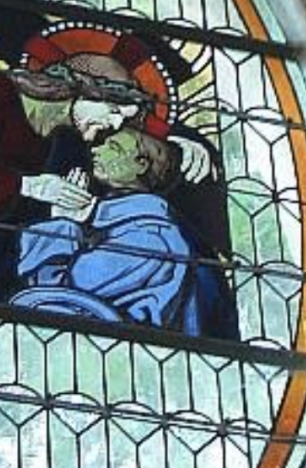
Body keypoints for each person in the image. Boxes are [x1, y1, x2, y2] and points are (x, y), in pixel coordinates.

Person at [12, 128, 239, 339]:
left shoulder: (150, 235)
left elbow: (62, 291)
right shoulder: (121, 222)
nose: (95, 150)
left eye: (113, 147)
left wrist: (62, 224)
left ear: (141, 165)